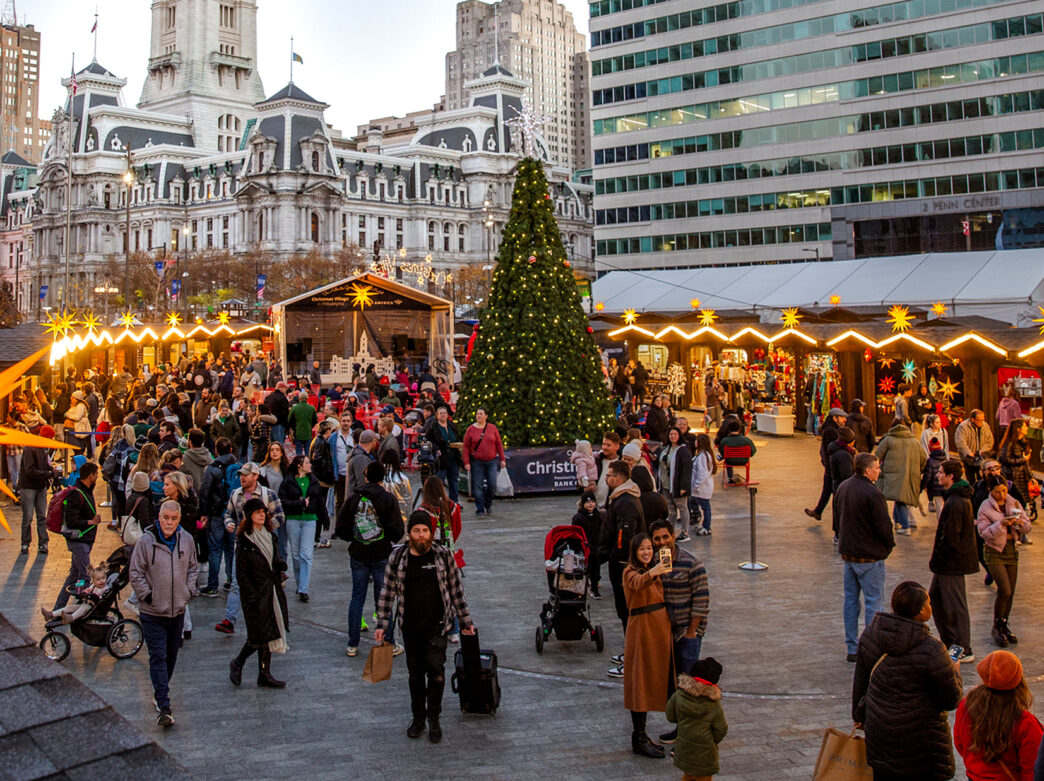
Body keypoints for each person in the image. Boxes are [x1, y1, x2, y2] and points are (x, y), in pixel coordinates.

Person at [374, 510, 474, 744]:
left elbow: (456, 591)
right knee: (415, 675)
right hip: (409, 626)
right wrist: (382, 623)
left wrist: (466, 622)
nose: (421, 536)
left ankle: (434, 717)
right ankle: (418, 717)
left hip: (438, 625)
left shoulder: (443, 555)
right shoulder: (398, 558)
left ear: (431, 533)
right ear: (409, 534)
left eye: (425, 531)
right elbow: (387, 592)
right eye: (416, 531)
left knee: (436, 671)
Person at [851, 581, 963, 781]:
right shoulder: (932, 650)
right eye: (928, 603)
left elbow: (860, 685)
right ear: (920, 611)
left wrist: (860, 714)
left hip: (881, 739)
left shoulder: (870, 636)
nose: (931, 607)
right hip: (922, 745)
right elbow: (950, 699)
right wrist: (954, 671)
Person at [129, 500, 198, 727]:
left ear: (178, 520)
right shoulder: (146, 542)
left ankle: (160, 689)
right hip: (152, 612)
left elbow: (193, 568)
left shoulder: (186, 540)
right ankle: (164, 704)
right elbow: (136, 571)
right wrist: (147, 595)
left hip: (176, 610)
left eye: (173, 519)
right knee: (158, 656)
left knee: (171, 656)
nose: (169, 523)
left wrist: (187, 591)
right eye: (165, 518)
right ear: (159, 517)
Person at [649, 519, 710, 744]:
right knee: (675, 685)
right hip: (667, 633)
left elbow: (702, 599)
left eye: (665, 537)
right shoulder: (657, 562)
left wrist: (692, 631)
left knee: (688, 684)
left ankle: (690, 735)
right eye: (657, 539)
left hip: (687, 632)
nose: (662, 542)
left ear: (673, 536)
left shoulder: (692, 563)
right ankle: (681, 728)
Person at [337, 461, 405, 657]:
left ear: (366, 476)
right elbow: (397, 529)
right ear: (382, 478)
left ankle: (353, 643)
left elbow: (341, 527)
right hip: (381, 553)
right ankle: (389, 641)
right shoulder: (387, 499)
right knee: (383, 599)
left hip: (358, 553)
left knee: (356, 597)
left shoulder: (353, 498)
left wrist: (354, 539)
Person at [215, 462, 286, 635]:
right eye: (241, 475)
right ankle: (229, 620)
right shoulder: (236, 494)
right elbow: (228, 514)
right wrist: (230, 523)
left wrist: (265, 526)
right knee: (236, 580)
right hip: (242, 545)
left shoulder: (267, 494)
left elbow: (280, 515)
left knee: (265, 583)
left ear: (255, 476)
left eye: (246, 475)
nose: (242, 478)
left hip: (263, 546)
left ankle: (271, 618)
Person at [836, 453, 895, 662]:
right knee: (874, 603)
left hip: (849, 553)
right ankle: (871, 648)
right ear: (867, 470)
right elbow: (884, 527)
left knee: (851, 602)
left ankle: (852, 647)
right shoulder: (873, 494)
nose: (879, 471)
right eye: (877, 468)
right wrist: (888, 546)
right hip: (869, 556)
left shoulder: (844, 487)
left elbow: (837, 519)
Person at [228, 498, 289, 689]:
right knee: (257, 636)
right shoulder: (245, 541)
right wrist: (251, 595)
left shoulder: (271, 536)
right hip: (255, 595)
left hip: (271, 591)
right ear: (249, 517)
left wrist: (279, 567)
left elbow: (274, 560)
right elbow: (241, 573)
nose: (262, 515)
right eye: (257, 512)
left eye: (264, 512)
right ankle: (238, 662)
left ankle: (264, 673)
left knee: (268, 634)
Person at [622, 534, 673, 759]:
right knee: (640, 680)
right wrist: (655, 571)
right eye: (642, 549)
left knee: (653, 678)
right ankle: (639, 736)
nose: (647, 552)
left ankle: (642, 735)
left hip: (657, 629)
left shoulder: (651, 569)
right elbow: (637, 583)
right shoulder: (630, 572)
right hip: (642, 629)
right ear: (634, 551)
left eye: (649, 548)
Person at [955, 650, 1043, 780]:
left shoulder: (966, 705)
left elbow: (960, 743)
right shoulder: (1026, 723)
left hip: (975, 776)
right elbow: (1033, 769)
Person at [599, 460, 647, 678]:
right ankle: (631, 652)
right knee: (624, 612)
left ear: (617, 479)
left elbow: (624, 536)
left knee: (628, 612)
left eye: (609, 475)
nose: (607, 479)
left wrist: (614, 556)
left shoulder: (625, 501)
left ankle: (634, 659)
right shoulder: (622, 497)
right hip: (621, 562)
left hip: (623, 564)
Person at [928, 459, 978, 664]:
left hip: (951, 563)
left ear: (951, 476)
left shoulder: (957, 502)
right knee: (936, 599)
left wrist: (940, 557)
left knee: (955, 604)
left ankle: (962, 648)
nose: (937, 475)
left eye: (941, 472)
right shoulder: (955, 499)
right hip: (945, 563)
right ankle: (950, 644)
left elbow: (950, 538)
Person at [976, 475, 1031, 648]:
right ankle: (996, 625)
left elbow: (1027, 525)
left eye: (1004, 491)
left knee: (1011, 591)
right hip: (994, 551)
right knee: (1004, 590)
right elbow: (983, 532)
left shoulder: (1013, 503)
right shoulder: (985, 507)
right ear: (990, 491)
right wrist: (1001, 523)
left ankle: (1004, 624)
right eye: (997, 492)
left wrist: (1020, 524)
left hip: (1011, 549)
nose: (1001, 495)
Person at [665, 657, 728, 781]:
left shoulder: (679, 695)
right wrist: (712, 740)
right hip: (705, 753)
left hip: (684, 748)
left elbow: (670, 716)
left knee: (688, 775)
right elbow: (721, 729)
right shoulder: (713, 704)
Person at [52, 461, 102, 612]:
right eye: (96, 474)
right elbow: (72, 520)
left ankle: (58, 610)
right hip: (79, 540)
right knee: (86, 577)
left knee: (74, 576)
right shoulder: (77, 493)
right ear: (90, 476)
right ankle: (81, 612)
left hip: (84, 540)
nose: (97, 477)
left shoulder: (86, 490)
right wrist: (90, 522)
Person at [277, 455, 328, 602]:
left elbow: (319, 500)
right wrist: (299, 503)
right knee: (296, 555)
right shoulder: (288, 482)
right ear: (299, 466)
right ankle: (301, 584)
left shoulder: (313, 481)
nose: (309, 465)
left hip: (309, 520)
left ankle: (303, 588)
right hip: (293, 519)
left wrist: (324, 518)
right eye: (306, 463)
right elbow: (283, 501)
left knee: (306, 554)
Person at [199, 438, 240, 597]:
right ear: (230, 449)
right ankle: (231, 579)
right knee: (231, 548)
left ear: (216, 450)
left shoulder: (212, 468)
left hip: (217, 512)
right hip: (234, 512)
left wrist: (204, 513)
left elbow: (205, 491)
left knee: (215, 549)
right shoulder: (238, 466)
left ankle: (212, 585)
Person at [874, 418, 926, 536]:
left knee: (900, 499)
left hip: (892, 475)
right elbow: (923, 459)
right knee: (900, 497)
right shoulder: (914, 441)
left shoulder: (888, 439)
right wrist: (918, 471)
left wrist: (879, 471)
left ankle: (905, 525)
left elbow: (877, 456)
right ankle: (897, 521)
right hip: (910, 474)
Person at [461, 408, 506, 518]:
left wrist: (502, 458)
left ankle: (488, 503)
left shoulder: (492, 428)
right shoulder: (471, 429)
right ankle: (480, 509)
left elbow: (498, 444)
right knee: (478, 485)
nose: (479, 416)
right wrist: (466, 462)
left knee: (492, 484)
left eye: (481, 414)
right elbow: (466, 447)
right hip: (477, 462)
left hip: (491, 461)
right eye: (477, 414)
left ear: (486, 416)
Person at [18, 427, 56, 555]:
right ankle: (25, 543)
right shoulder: (30, 448)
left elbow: (45, 465)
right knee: (28, 517)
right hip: (28, 486)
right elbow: (29, 470)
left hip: (40, 486)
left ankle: (43, 542)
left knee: (41, 516)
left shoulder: (44, 449)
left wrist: (51, 471)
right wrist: (47, 474)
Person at [805, 408, 847, 520]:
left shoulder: (833, 429)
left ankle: (818, 511)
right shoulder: (831, 430)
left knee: (828, 489)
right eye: (842, 417)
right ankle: (831, 516)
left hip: (831, 465)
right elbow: (831, 449)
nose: (844, 420)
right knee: (834, 491)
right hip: (832, 465)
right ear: (835, 418)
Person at [656, 427, 692, 542]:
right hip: (666, 484)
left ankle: (685, 532)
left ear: (679, 436)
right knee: (671, 509)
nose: (672, 436)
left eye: (675, 434)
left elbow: (687, 469)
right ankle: (670, 531)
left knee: (682, 507)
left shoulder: (683, 450)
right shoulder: (666, 448)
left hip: (677, 485)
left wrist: (684, 486)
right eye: (671, 434)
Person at [40, 565, 109, 623]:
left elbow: (102, 599)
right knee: (70, 607)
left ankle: (71, 618)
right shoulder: (93, 585)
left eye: (103, 578)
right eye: (98, 579)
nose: (101, 581)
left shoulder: (105, 589)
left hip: (95, 607)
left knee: (83, 607)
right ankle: (51, 614)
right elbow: (88, 590)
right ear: (93, 581)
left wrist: (92, 597)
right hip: (88, 604)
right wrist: (86, 591)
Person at [999, 419, 1036, 522]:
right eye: (1025, 426)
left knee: (1024, 504)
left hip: (1022, 477)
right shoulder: (1009, 443)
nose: (1027, 428)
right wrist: (1023, 459)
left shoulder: (1023, 442)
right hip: (1013, 476)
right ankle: (1018, 527)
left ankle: (1023, 526)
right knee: (1016, 503)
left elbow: (1025, 463)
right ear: (1018, 429)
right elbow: (1005, 458)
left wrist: (1030, 477)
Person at [427, 406, 462, 503]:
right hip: (441, 459)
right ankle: (439, 501)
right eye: (441, 413)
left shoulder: (452, 426)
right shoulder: (434, 427)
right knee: (439, 480)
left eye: (444, 413)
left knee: (454, 481)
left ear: (447, 415)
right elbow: (427, 440)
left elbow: (457, 437)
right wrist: (435, 448)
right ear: (437, 416)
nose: (443, 415)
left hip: (453, 457)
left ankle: (454, 502)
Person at [572, 490, 603, 599]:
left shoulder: (598, 516)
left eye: (592, 502)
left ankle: (594, 587)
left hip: (595, 546)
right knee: (584, 568)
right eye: (588, 502)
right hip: (583, 546)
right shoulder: (578, 518)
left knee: (595, 566)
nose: (591, 504)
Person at [827, 427, 856, 541]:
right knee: (843, 511)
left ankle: (838, 533)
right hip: (843, 487)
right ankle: (841, 534)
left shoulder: (836, 450)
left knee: (839, 510)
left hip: (837, 485)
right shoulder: (844, 455)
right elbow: (846, 474)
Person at [688, 433, 717, 537]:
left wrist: (696, 486)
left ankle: (707, 527)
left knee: (705, 507)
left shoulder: (703, 457)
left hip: (701, 488)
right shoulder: (701, 455)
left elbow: (702, 473)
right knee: (696, 503)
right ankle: (704, 524)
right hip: (700, 488)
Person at [955, 409, 995, 484]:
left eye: (983, 419)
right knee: (971, 479)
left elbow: (990, 441)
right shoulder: (963, 427)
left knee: (982, 479)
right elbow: (960, 442)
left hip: (981, 457)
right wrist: (968, 452)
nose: (981, 422)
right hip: (969, 458)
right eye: (979, 420)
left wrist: (982, 450)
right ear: (972, 419)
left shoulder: (985, 426)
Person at [594, 432, 622, 508]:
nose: (604, 447)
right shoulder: (597, 460)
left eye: (608, 445)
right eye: (603, 444)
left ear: (617, 446)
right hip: (594, 507)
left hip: (610, 508)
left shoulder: (621, 463)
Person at [181, 428, 212, 493]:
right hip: (207, 493)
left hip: (192, 494)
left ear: (190, 442)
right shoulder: (209, 456)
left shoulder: (185, 458)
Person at [288, 391, 318, 456]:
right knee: (308, 451)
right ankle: (307, 464)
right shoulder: (311, 408)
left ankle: (300, 464)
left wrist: (293, 428)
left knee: (298, 452)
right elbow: (315, 420)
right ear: (307, 398)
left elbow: (290, 420)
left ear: (299, 398)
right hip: (308, 432)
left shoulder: (294, 408)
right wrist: (310, 426)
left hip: (298, 432)